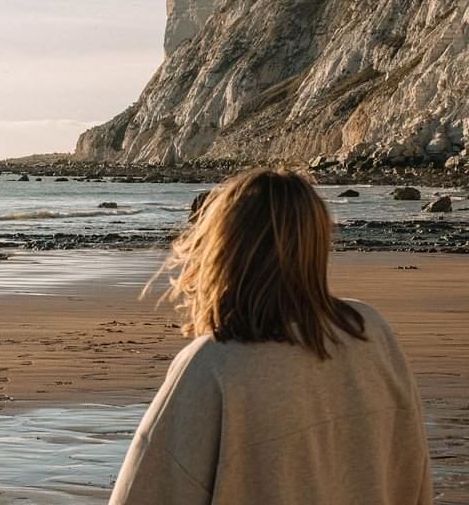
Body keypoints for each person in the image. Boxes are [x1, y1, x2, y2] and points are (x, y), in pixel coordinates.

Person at [110, 169, 432, 505]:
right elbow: (414, 469)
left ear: (222, 249)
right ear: (317, 242)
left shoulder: (213, 365)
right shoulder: (370, 333)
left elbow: (144, 492)